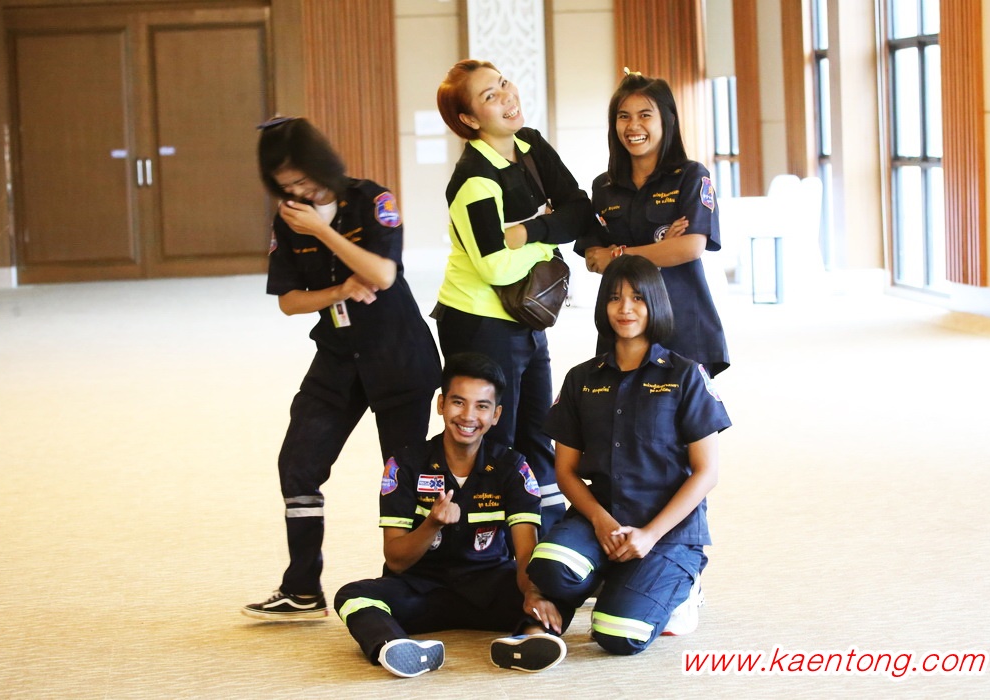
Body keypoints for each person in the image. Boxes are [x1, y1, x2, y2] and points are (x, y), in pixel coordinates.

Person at [242, 117, 442, 621]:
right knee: (298, 462)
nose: (299, 192)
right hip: (337, 358)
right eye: (286, 186)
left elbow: (383, 273)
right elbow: (289, 301)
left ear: (323, 163)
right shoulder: (288, 221)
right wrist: (337, 291)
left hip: (399, 357)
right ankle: (302, 588)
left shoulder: (372, 200)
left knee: (401, 477)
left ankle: (405, 586)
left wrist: (322, 231)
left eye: (303, 179)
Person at [526, 255, 731, 656]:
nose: (625, 308)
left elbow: (706, 472)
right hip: (601, 519)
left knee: (618, 634)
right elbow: (565, 471)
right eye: (615, 298)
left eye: (638, 297)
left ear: (655, 303)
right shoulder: (581, 379)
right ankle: (609, 575)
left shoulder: (686, 375)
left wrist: (650, 535)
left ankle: (681, 585)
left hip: (668, 532)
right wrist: (600, 519)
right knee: (550, 566)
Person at [432, 59, 593, 535]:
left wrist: (528, 231)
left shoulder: (530, 145)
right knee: (493, 439)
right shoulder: (473, 180)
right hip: (479, 321)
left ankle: (544, 539)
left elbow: (579, 211)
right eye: (489, 96)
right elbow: (495, 267)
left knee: (539, 432)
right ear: (469, 119)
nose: (506, 96)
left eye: (502, 83)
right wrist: (548, 235)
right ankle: (487, 546)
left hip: (524, 315)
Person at [334, 352, 568, 678]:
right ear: (441, 404)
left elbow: (526, 551)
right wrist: (432, 524)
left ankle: (529, 640)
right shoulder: (405, 465)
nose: (468, 416)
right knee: (352, 596)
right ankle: (397, 646)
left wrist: (533, 594)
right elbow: (396, 560)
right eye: (458, 402)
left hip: (488, 586)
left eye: (482, 406)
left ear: (496, 415)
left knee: (557, 590)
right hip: (420, 590)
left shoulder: (512, 468)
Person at [577, 70, 730, 376]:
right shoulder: (603, 187)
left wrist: (619, 255)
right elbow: (594, 258)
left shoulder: (690, 177)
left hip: (681, 319)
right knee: (619, 402)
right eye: (623, 116)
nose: (633, 126)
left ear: (667, 119)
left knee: (681, 403)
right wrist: (660, 249)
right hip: (623, 321)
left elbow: (690, 247)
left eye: (645, 115)